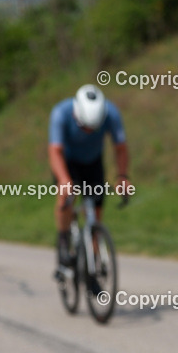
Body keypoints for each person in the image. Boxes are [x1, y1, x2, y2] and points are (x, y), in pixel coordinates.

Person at [48, 84, 130, 269]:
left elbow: (121, 148)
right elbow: (55, 151)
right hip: (67, 161)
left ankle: (92, 263)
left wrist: (123, 176)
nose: (88, 132)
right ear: (76, 114)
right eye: (84, 127)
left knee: (96, 211)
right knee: (66, 196)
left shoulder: (111, 114)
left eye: (93, 128)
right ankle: (63, 239)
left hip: (92, 162)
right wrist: (63, 180)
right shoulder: (61, 113)